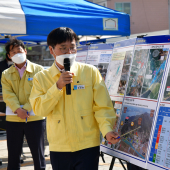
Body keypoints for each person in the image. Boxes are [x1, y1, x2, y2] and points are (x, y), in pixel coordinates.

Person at [29, 27, 120, 170]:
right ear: (52, 50)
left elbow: (103, 106)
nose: (69, 52)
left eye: (72, 47)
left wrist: (107, 130)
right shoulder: (41, 78)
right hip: (60, 146)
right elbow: (39, 110)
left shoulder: (90, 72)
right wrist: (57, 87)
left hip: (88, 144)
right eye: (63, 48)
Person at [1, 38, 46, 170]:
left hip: (35, 118)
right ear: (9, 56)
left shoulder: (39, 70)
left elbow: (39, 92)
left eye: (19, 51)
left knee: (38, 155)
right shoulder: (6, 74)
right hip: (13, 119)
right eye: (13, 52)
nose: (17, 54)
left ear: (25, 51)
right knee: (13, 156)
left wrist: (25, 109)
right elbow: (8, 94)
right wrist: (17, 109)